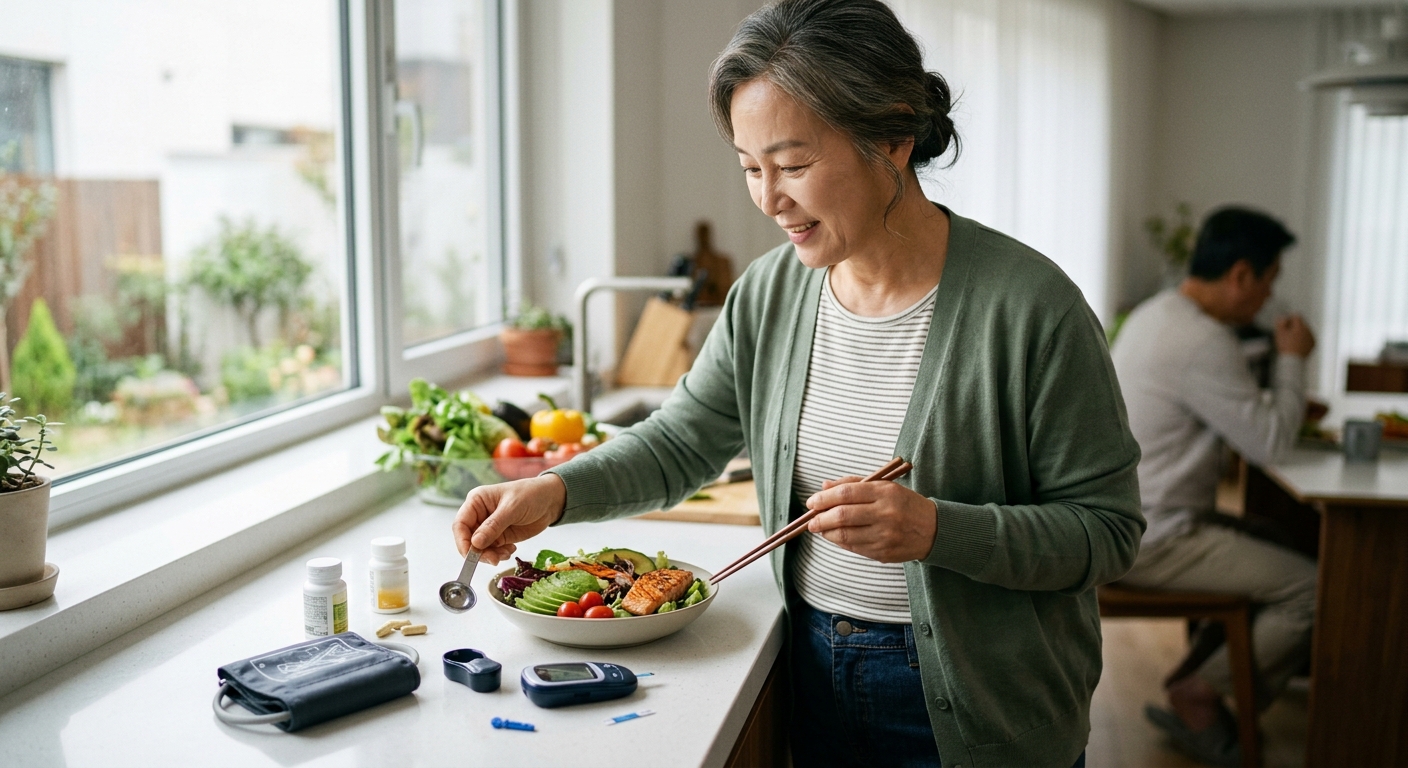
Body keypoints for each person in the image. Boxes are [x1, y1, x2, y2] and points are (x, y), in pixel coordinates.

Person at [453, 1, 1142, 765]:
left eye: (794, 164)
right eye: (751, 168)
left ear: (892, 136)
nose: (768, 198)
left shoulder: (1031, 307)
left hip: (984, 701)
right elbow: (687, 438)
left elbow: (1107, 533)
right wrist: (556, 492)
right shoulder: (770, 292)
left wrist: (936, 530)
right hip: (813, 667)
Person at [1110, 207, 1318, 767]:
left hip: (1127, 516)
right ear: (1242, 275)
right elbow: (1271, 444)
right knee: (1313, 589)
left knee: (1273, 534)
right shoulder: (1202, 341)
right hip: (1154, 536)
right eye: (1269, 282)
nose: (1268, 299)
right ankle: (1200, 695)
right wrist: (1294, 361)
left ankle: (1197, 678)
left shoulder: (1157, 315)